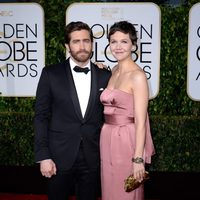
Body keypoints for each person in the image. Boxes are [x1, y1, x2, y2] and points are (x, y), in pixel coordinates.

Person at [34, 21, 111, 200]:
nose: (82, 46)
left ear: (92, 43)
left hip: (93, 157)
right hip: (58, 157)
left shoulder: (105, 76)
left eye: (86, 41)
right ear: (67, 46)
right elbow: (41, 117)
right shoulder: (50, 74)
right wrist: (43, 156)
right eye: (76, 41)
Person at [100, 21, 155, 200]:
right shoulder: (114, 70)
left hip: (126, 140)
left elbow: (140, 122)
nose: (118, 46)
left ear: (133, 45)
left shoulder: (138, 76)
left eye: (124, 42)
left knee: (126, 190)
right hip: (107, 136)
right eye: (113, 41)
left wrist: (138, 159)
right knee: (110, 187)